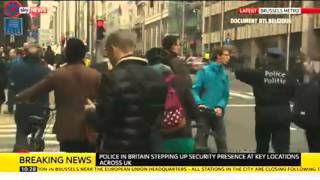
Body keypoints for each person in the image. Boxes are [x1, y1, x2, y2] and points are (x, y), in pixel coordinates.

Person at [16, 38, 101, 152]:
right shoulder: (95, 75)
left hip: (67, 130)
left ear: (66, 53)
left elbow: (35, 90)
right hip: (89, 129)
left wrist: (19, 97)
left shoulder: (58, 74)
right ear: (83, 54)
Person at [92, 30, 167, 153]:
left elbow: (102, 122)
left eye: (107, 51)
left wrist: (90, 113)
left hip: (119, 148)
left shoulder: (112, 78)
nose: (108, 56)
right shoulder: (156, 76)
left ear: (113, 48)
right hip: (149, 148)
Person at [235, 47, 297, 153]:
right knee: (282, 148)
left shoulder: (258, 74)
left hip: (263, 115)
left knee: (262, 146)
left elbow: (239, 73)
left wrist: (240, 60)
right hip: (283, 115)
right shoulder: (289, 76)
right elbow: (295, 93)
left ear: (267, 58)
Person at [160, 35, 199, 153]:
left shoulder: (159, 62)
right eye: (177, 44)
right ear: (172, 46)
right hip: (179, 114)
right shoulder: (177, 63)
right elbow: (186, 86)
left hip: (161, 118)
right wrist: (195, 113)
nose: (179, 46)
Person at [8, 44, 51, 151]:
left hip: (22, 107)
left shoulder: (15, 65)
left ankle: (21, 156)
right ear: (40, 53)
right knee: (38, 134)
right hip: (41, 108)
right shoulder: (45, 69)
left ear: (25, 53)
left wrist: (13, 100)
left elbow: (11, 86)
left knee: (21, 134)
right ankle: (37, 147)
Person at [192, 47, 231, 153]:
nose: (229, 57)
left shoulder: (225, 74)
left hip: (217, 113)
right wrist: (199, 103)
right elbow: (195, 90)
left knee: (222, 143)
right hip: (204, 112)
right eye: (226, 55)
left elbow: (225, 95)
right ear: (219, 56)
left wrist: (220, 106)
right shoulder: (204, 71)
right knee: (200, 144)